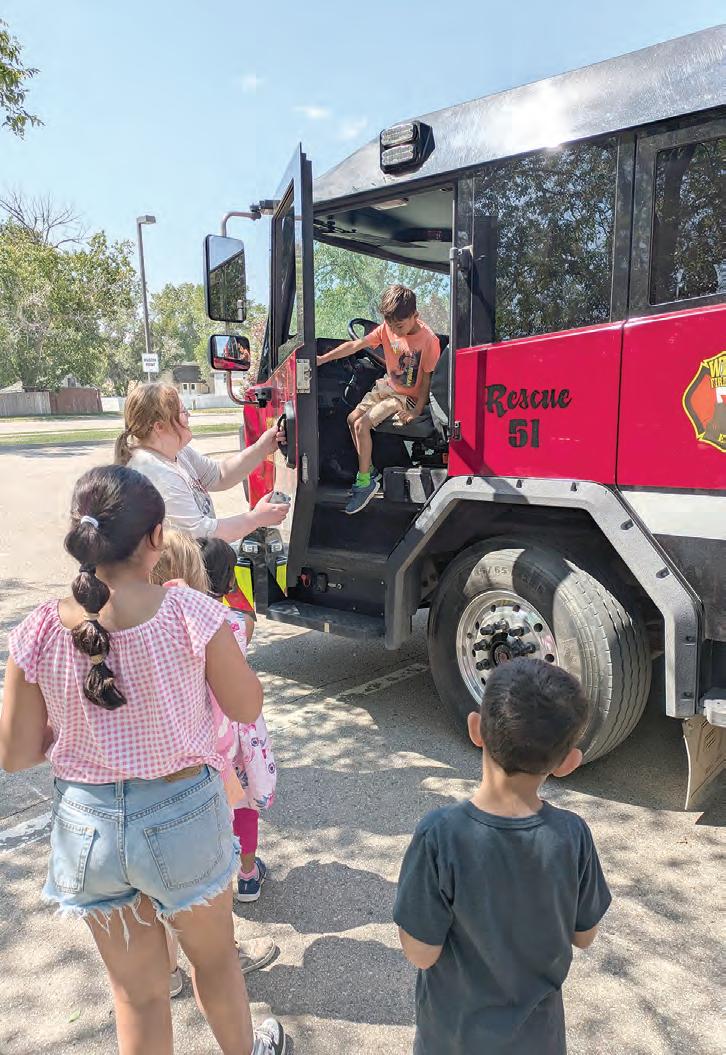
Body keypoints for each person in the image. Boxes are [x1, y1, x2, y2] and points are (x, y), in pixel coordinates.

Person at [0, 465, 286, 1055]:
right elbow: (245, 704)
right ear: (156, 537)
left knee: (138, 995)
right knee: (215, 964)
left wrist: (81, 733)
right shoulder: (187, 612)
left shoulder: (40, 629)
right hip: (182, 816)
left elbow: (16, 753)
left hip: (87, 830)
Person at [394, 659, 611, 1055]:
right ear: (568, 763)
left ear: (475, 728)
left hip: (453, 1040)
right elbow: (584, 936)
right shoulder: (572, 835)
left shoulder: (440, 835)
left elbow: (420, 954)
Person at [149, 530, 277, 992]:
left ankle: (166, 971)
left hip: (149, 779)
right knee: (212, 866)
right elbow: (244, 702)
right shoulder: (213, 624)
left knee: (159, 884)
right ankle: (227, 952)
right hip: (209, 765)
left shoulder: (133, 629)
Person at [316, 284, 440, 514]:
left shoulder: (429, 340)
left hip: (405, 398)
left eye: (399, 326)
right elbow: (355, 345)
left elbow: (425, 380)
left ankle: (364, 482)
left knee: (362, 425)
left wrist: (416, 411)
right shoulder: (387, 329)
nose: (394, 330)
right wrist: (323, 359)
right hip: (386, 386)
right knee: (352, 418)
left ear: (415, 315)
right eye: (390, 325)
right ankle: (370, 470)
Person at [199, 537, 277, 903]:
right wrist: (231, 586)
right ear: (230, 581)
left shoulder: (177, 623)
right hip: (236, 729)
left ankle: (210, 879)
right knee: (243, 803)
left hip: (200, 731)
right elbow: (248, 612)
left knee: (207, 805)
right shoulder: (237, 623)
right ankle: (247, 875)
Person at [115, 382, 289, 541]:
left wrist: (262, 448)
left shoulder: (179, 453)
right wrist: (257, 518)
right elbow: (201, 535)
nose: (189, 415)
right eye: (183, 412)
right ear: (159, 426)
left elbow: (219, 475)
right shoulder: (156, 473)